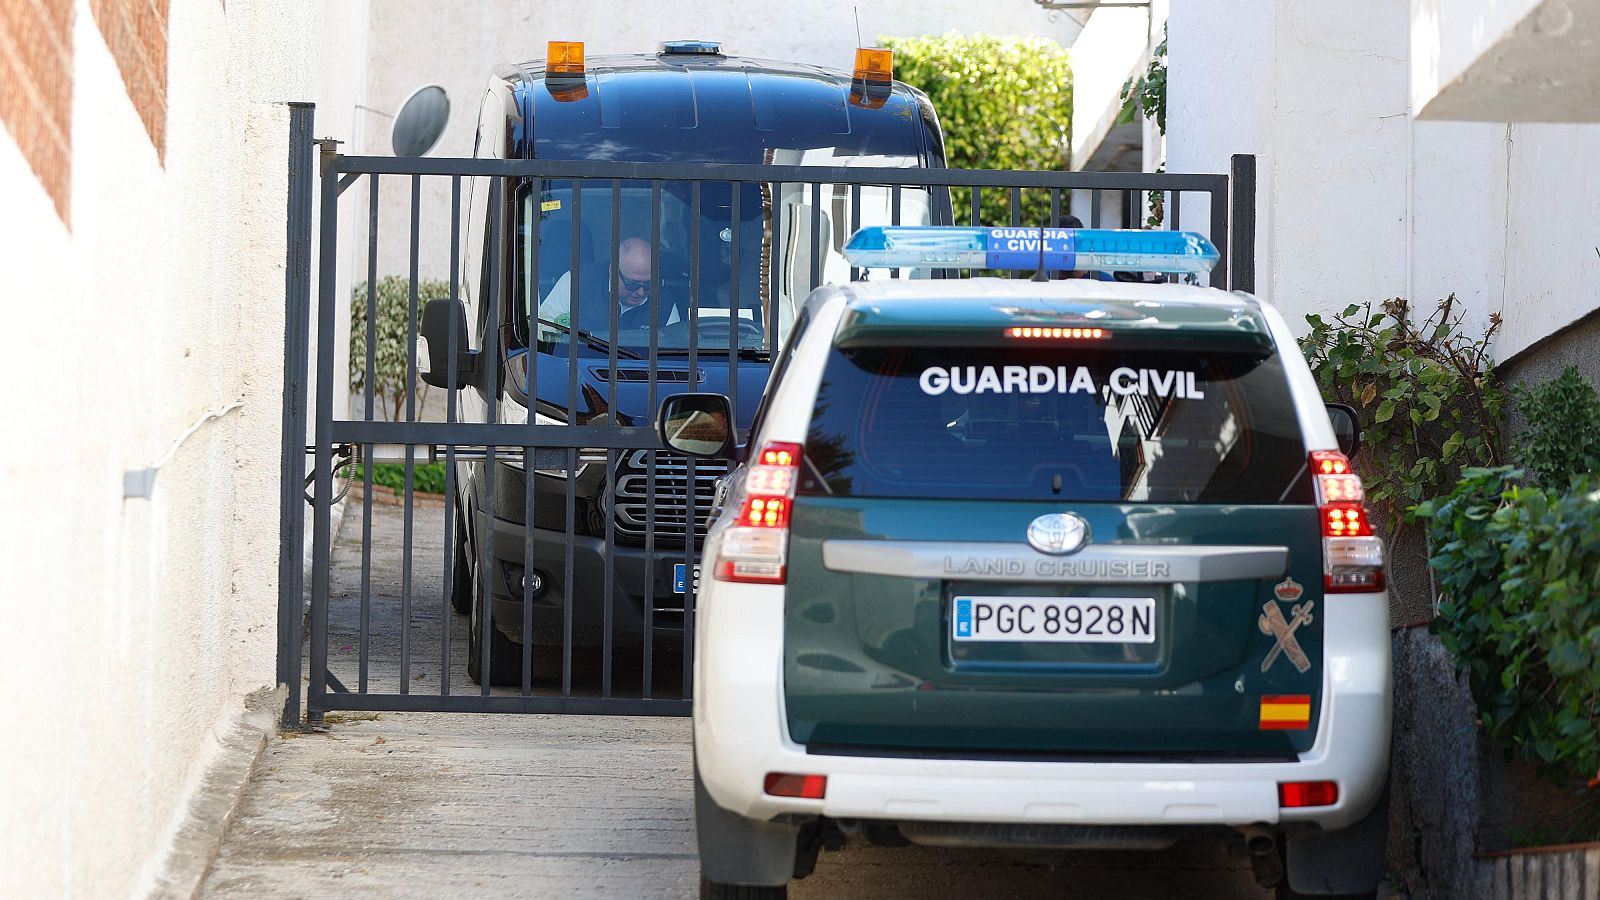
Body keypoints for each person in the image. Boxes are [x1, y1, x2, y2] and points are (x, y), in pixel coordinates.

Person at [537, 236, 655, 336]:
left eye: (648, 284)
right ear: (612, 271)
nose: (640, 292)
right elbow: (544, 329)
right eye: (632, 284)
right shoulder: (577, 281)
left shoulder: (666, 303)